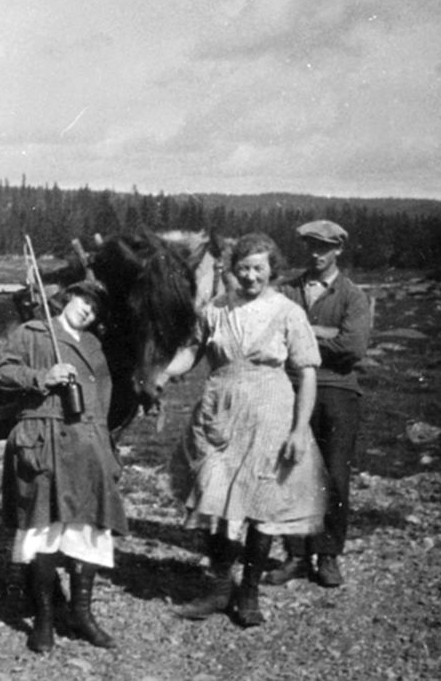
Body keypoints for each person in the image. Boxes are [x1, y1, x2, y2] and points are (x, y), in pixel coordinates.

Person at [168, 232, 327, 627]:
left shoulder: (288, 312)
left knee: (262, 505)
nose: (251, 276)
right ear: (233, 270)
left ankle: (249, 592)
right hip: (218, 414)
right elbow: (191, 352)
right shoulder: (216, 310)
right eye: (244, 268)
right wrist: (160, 373)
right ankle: (220, 586)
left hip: (271, 415)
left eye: (259, 268)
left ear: (272, 270)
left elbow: (307, 374)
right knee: (211, 495)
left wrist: (298, 430)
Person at [0, 279, 126, 653]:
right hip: (44, 437)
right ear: (69, 297)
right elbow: (2, 373)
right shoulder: (34, 333)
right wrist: (41, 377)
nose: (87, 309)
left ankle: (81, 615)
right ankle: (45, 619)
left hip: (88, 445)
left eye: (96, 309)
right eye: (84, 299)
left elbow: (102, 399)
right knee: (45, 529)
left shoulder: (94, 347)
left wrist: (106, 450)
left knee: (87, 529)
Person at [266, 220, 371, 588]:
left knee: (334, 476)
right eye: (311, 245)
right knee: (289, 472)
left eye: (324, 247)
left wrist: (302, 335)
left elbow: (352, 349)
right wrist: (324, 334)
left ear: (338, 250)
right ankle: (295, 554)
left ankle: (327, 555)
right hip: (289, 390)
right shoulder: (287, 290)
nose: (316, 253)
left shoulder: (352, 296)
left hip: (336, 392)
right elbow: (270, 335)